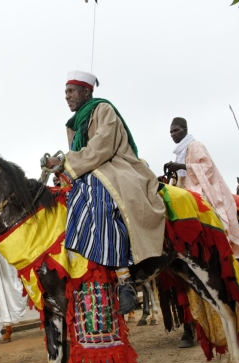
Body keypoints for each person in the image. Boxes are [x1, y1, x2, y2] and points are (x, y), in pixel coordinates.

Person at [45, 71, 166, 273]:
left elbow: (102, 147)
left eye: (71, 91)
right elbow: (79, 157)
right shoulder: (75, 123)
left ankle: (122, 273)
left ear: (86, 91)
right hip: (88, 170)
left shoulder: (103, 109)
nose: (66, 96)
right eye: (65, 92)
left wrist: (64, 161)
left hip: (114, 166)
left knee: (99, 201)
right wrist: (61, 170)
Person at [164, 117, 239, 259]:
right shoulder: (179, 152)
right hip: (186, 187)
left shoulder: (195, 146)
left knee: (204, 207)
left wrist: (182, 166)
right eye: (171, 133)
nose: (173, 135)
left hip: (203, 186)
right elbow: (180, 177)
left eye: (176, 131)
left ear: (185, 130)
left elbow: (207, 168)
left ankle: (220, 240)